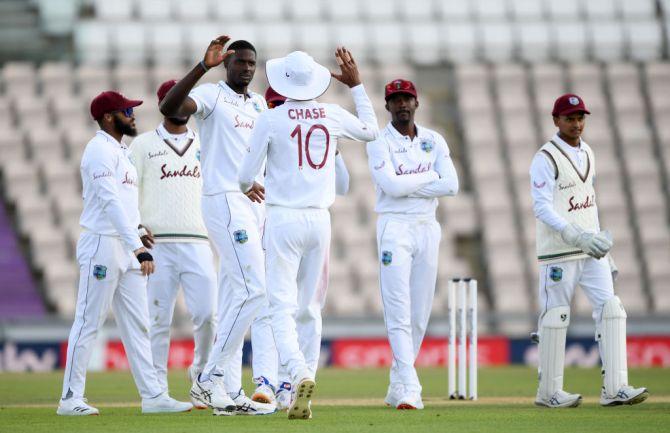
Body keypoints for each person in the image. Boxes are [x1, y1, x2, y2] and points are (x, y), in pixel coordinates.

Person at [239, 47, 379, 419]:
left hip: (283, 219)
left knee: (279, 306)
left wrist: (247, 186)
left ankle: (296, 372)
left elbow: (243, 176)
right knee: (310, 307)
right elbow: (372, 131)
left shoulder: (271, 119)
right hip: (320, 221)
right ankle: (303, 385)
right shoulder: (330, 114)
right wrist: (357, 86)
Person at [159, 36, 276, 415]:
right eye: (239, 61)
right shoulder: (211, 95)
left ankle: (229, 389)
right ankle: (207, 379)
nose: (246, 67)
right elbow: (169, 105)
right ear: (227, 64)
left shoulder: (258, 104)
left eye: (251, 63)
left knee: (233, 300)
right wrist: (201, 66)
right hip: (224, 201)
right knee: (254, 290)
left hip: (253, 204)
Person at [57, 91, 192, 416]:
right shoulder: (98, 150)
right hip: (103, 244)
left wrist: (138, 229)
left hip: (127, 245)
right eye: (127, 110)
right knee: (89, 321)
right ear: (108, 117)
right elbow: (108, 201)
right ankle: (70, 398)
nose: (133, 115)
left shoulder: (122, 152)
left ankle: (154, 396)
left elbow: (125, 204)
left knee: (138, 324)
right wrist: (137, 247)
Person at [529, 93, 648, 408]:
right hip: (559, 252)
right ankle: (549, 393)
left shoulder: (589, 153)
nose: (577, 124)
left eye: (581, 117)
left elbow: (588, 203)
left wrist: (601, 247)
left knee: (611, 308)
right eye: (569, 118)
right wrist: (575, 235)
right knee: (556, 316)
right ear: (556, 120)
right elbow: (541, 208)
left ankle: (615, 388)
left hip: (591, 250)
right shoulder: (545, 158)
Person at [366, 79, 459, 410]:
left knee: (419, 313)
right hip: (395, 227)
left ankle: (397, 384)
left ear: (416, 103)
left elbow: (452, 185)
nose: (402, 104)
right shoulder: (378, 141)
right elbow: (390, 186)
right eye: (396, 100)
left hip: (427, 227)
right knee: (398, 310)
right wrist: (429, 178)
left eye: (407, 99)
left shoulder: (433, 140)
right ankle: (410, 387)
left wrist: (410, 185)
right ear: (387, 105)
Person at [129, 80, 217, 409]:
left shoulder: (206, 143)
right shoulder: (142, 146)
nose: (181, 107)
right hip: (158, 244)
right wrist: (136, 229)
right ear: (163, 103)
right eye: (173, 101)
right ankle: (156, 391)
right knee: (157, 319)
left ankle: (202, 377)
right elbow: (127, 192)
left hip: (198, 241)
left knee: (208, 315)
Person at [262, 86, 351, 411]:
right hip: (274, 229)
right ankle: (271, 384)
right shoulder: (269, 130)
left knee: (302, 310)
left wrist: (334, 151)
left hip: (289, 230)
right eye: (272, 105)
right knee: (277, 311)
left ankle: (292, 383)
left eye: (278, 104)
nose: (276, 109)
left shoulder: (294, 133)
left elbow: (343, 186)